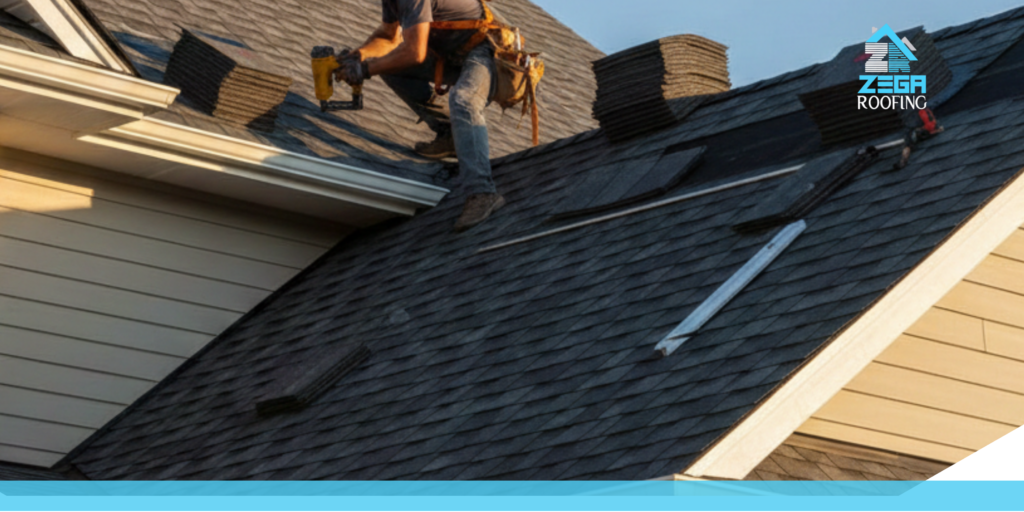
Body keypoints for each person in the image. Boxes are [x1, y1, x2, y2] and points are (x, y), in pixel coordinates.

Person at [335, 0, 505, 233]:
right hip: (452, 56)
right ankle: (450, 135)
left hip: (485, 51)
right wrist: (359, 57)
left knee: (464, 101)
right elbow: (388, 37)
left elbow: (415, 53)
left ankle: (482, 192)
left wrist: (365, 70)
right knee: (389, 66)